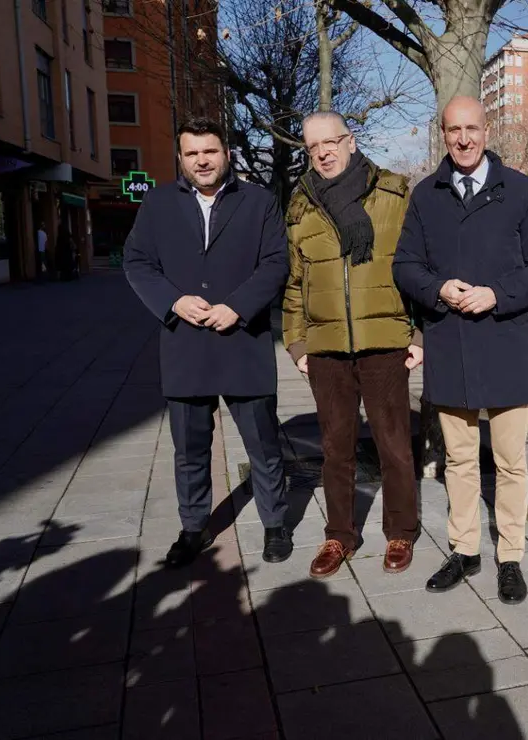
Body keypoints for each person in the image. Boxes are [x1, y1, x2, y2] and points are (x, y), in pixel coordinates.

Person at [393, 96, 528, 604]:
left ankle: (509, 557)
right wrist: (439, 289)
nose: (463, 139)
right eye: (453, 130)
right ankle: (464, 550)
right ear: (442, 134)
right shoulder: (426, 195)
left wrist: (497, 295)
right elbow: (405, 266)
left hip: (506, 343)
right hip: (451, 345)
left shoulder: (519, 191)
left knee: (511, 463)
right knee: (459, 462)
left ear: (487, 130)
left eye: (472, 128)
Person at [124, 117, 293, 568]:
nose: (202, 160)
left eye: (210, 151)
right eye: (192, 153)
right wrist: (173, 301)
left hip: (243, 341)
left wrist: (238, 306)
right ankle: (194, 528)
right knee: (190, 450)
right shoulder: (157, 204)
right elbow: (137, 263)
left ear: (226, 154)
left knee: (263, 444)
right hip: (185, 347)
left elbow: (277, 262)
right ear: (180, 157)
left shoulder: (258, 202)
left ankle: (275, 525)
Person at [282, 112, 423, 579]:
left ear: (350, 141)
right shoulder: (302, 205)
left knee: (395, 446)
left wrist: (419, 334)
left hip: (384, 341)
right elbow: (295, 280)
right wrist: (298, 345)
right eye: (312, 147)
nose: (322, 152)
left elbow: (420, 266)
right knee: (334, 448)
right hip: (326, 349)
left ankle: (401, 530)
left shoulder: (394, 193)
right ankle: (339, 535)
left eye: (331, 142)